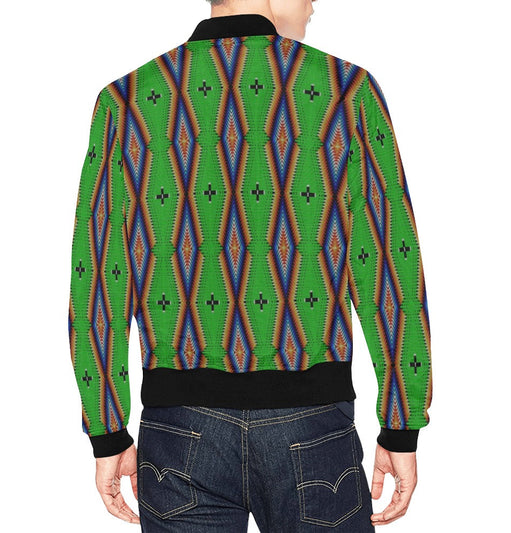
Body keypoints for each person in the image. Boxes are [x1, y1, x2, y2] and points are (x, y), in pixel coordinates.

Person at [68, 0, 433, 530]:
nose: (313, 5)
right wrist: (402, 422)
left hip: (177, 429)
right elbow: (388, 261)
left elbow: (99, 273)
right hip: (314, 423)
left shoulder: (126, 101)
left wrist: (107, 430)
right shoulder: (346, 90)